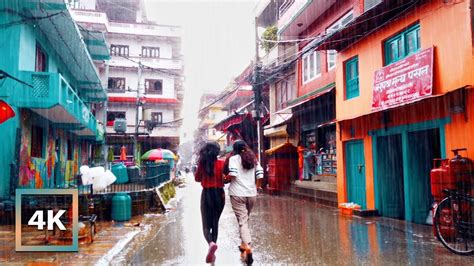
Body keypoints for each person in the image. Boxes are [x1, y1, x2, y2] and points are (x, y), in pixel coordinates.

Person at [226, 140, 263, 265]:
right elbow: (260, 175)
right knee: (245, 220)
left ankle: (247, 246)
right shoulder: (253, 158)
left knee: (242, 221)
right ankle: (243, 244)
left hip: (237, 194)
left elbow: (233, 175)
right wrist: (257, 187)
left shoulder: (234, 159)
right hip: (251, 194)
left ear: (234, 149)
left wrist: (225, 179)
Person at [194, 141, 225, 263]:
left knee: (206, 224)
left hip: (207, 194)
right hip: (220, 195)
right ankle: (214, 247)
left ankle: (210, 243)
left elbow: (197, 179)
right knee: (215, 222)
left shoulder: (202, 164)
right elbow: (226, 178)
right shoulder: (222, 163)